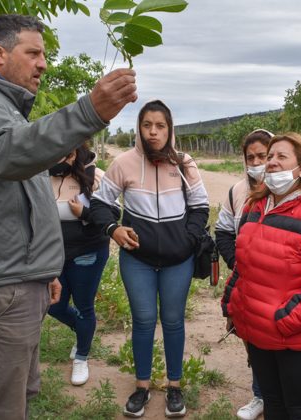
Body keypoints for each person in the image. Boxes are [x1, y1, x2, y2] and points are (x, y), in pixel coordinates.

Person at [0, 14, 136, 419]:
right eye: (34, 53)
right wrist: (86, 113)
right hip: (0, 286)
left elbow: (21, 200)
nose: (43, 63)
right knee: (3, 410)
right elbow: (9, 155)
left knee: (22, 398)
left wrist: (44, 269)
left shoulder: (3, 109)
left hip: (18, 278)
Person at [89, 99, 208, 418]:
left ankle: (174, 387)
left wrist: (186, 240)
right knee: (142, 321)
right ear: (139, 129)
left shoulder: (184, 163)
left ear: (170, 130)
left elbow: (200, 207)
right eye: (147, 125)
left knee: (172, 321)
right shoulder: (124, 163)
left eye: (160, 126)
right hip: (137, 260)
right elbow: (100, 205)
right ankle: (141, 387)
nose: (153, 132)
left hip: (177, 262)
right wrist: (113, 229)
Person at [221, 132, 301, 419]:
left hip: (295, 337)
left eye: (282, 157)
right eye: (270, 157)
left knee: (299, 409)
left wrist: (285, 320)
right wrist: (233, 305)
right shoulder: (256, 208)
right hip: (258, 333)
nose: (272, 163)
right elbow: (244, 266)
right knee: (273, 405)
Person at [214, 128, 272, 420]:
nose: (257, 162)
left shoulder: (292, 190)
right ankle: (261, 395)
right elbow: (223, 230)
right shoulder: (237, 191)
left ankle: (280, 396)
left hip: (280, 283)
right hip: (248, 282)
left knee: (277, 341)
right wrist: (238, 264)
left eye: (263, 155)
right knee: (253, 338)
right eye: (251, 157)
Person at [47, 143, 115, 386]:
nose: (63, 159)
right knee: (53, 304)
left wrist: (84, 214)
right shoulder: (44, 175)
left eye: (69, 153)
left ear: (78, 151)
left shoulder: (95, 175)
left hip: (88, 251)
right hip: (54, 252)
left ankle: (81, 357)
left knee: (85, 306)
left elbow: (112, 214)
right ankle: (83, 330)